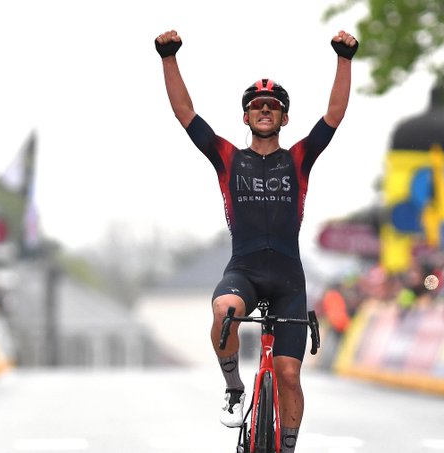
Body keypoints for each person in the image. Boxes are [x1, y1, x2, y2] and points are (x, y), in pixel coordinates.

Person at [155, 28, 358, 453]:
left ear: (284, 119)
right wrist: (168, 57)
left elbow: (334, 115)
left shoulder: (298, 158)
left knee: (288, 375)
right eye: (256, 106)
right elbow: (185, 113)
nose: (265, 110)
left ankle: (286, 448)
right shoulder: (228, 158)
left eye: (274, 106)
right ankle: (234, 387)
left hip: (288, 279)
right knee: (224, 310)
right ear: (246, 117)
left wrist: (344, 59)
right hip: (244, 271)